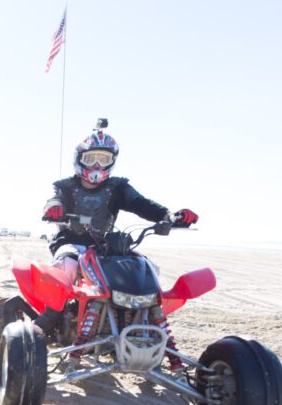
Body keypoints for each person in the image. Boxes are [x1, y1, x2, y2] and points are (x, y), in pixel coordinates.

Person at [36, 120, 199, 369]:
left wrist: (170, 216)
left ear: (112, 161)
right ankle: (49, 318)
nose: (97, 165)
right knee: (67, 267)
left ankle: (141, 327)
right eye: (91, 159)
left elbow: (141, 204)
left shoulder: (118, 187)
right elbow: (53, 200)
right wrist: (53, 208)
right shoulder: (64, 186)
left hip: (106, 247)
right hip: (71, 242)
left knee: (147, 268)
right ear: (79, 159)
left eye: (104, 159)